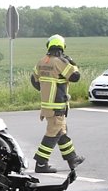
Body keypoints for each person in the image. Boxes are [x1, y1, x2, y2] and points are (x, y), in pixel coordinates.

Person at [30, 34, 85, 173]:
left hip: (47, 105)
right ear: (62, 47)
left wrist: (44, 91)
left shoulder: (42, 61)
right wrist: (71, 62)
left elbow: (34, 79)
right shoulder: (59, 62)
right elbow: (75, 77)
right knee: (52, 134)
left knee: (61, 132)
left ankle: (72, 159)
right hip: (58, 106)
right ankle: (41, 164)